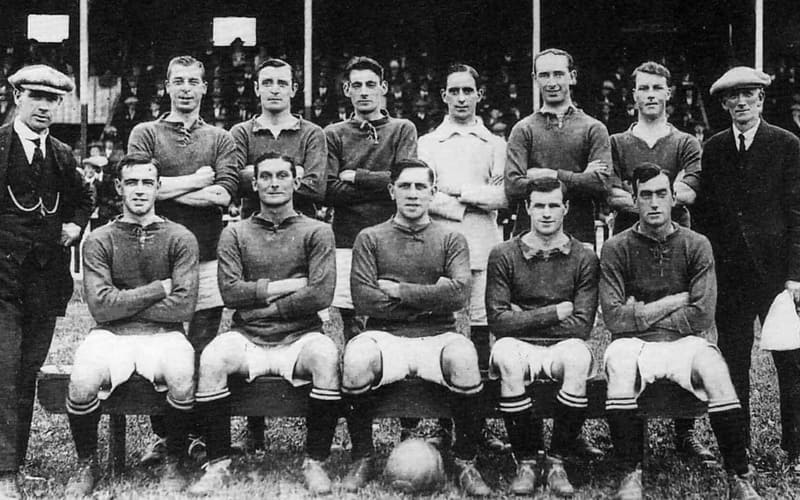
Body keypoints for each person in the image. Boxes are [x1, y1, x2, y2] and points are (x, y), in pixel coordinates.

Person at [600, 163, 759, 500]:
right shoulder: (615, 247)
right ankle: (630, 473)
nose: (654, 202)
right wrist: (673, 301)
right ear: (634, 200)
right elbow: (614, 318)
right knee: (619, 364)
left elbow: (702, 314)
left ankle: (738, 475)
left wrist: (639, 312)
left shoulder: (697, 244)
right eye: (645, 195)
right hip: (633, 344)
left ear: (674, 198)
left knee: (715, 368)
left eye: (661, 194)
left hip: (686, 341)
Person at [187, 152, 339, 496]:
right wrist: (289, 287)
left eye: (282, 176)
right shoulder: (235, 233)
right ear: (254, 184)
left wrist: (261, 305)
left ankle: (315, 462)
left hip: (301, 336)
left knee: (326, 356)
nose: (274, 183)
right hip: (248, 336)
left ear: (295, 182)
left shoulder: (317, 231)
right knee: (212, 358)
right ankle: (218, 464)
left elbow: (320, 294)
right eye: (266, 177)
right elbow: (230, 292)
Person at [341, 159, 491, 496]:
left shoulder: (451, 238)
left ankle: (466, 461)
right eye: (404, 186)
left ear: (433, 192)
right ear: (391, 190)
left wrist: (399, 290)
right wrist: (432, 294)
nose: (412, 193)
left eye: (420, 186)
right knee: (356, 357)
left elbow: (459, 296)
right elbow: (365, 300)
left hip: (438, 333)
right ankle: (363, 457)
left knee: (465, 356)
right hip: (385, 335)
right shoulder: (370, 237)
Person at [65, 154, 199, 496]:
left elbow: (184, 306)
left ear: (158, 187)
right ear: (118, 187)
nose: (139, 190)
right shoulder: (99, 239)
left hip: (165, 335)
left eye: (147, 182)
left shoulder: (180, 236)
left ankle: (173, 459)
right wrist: (158, 289)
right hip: (111, 335)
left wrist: (122, 303)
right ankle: (87, 463)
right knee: (81, 379)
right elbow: (100, 307)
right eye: (131, 182)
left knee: (183, 373)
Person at [128, 55, 238, 465]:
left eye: (194, 81)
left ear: (205, 87)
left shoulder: (220, 138)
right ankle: (166, 436)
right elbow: (139, 190)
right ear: (167, 86)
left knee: (202, 345)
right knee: (163, 344)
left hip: (207, 256)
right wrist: (195, 181)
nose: (186, 88)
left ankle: (197, 434)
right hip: (157, 257)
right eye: (179, 81)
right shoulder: (146, 132)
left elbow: (223, 194)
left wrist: (166, 189)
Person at [695, 66, 800, 469]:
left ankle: (795, 448)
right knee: (733, 361)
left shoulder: (786, 144)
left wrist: (795, 275)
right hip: (730, 275)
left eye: (748, 95)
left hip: (777, 277)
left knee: (790, 362)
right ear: (724, 104)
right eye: (733, 96)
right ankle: (738, 448)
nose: (741, 102)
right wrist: (708, 270)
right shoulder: (714, 148)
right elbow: (705, 215)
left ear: (761, 99)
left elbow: (797, 212)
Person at [606, 61, 710, 460]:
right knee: (629, 330)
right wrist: (659, 196)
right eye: (643, 88)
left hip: (676, 242)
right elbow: (610, 192)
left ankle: (685, 433)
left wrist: (639, 196)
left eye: (657, 88)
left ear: (669, 93)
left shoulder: (686, 142)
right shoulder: (617, 142)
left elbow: (689, 192)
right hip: (628, 242)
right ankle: (630, 431)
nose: (650, 95)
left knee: (683, 329)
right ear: (632, 95)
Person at [0, 64, 92, 498]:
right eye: (35, 96)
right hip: (2, 282)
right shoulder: (0, 145)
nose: (44, 106)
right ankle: (4, 474)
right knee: (4, 372)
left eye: (52, 99)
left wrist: (75, 224)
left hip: (43, 284)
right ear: (17, 96)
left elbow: (85, 196)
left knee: (25, 375)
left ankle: (14, 466)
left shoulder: (60, 153)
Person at [486, 177, 598, 497]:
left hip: (563, 346)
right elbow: (499, 323)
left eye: (553, 205)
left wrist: (521, 316)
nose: (546, 213)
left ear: (566, 208)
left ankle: (557, 461)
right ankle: (527, 461)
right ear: (527, 208)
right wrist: (556, 312)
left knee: (578, 358)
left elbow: (581, 326)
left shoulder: (584, 256)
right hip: (518, 346)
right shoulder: (503, 254)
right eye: (539, 206)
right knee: (507, 356)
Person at [418, 62, 507, 450]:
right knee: (443, 331)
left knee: (482, 327)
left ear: (479, 95)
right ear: (443, 96)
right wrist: (467, 201)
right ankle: (442, 423)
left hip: (483, 244)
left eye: (467, 90)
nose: (460, 98)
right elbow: (424, 195)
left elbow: (503, 196)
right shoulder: (427, 143)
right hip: (439, 247)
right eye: (453, 91)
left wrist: (459, 192)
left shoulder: (495, 144)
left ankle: (479, 424)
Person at [323, 56, 417, 339]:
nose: (364, 92)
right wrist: (385, 186)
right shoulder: (334, 134)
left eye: (371, 84)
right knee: (352, 322)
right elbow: (329, 190)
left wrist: (357, 177)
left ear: (383, 87)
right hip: (347, 238)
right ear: (346, 90)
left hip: (393, 237)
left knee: (393, 314)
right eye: (357, 85)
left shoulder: (402, 129)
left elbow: (404, 181)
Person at [505, 48, 613, 244]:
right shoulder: (523, 129)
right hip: (529, 241)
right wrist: (580, 178)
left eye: (558, 74)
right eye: (544, 75)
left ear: (572, 77)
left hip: (578, 239)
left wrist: (552, 175)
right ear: (535, 79)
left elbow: (601, 185)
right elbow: (513, 187)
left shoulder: (594, 128)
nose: (552, 82)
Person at [231, 58, 327, 220]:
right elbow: (234, 184)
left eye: (282, 84)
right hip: (253, 226)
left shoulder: (312, 134)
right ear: (257, 89)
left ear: (293, 90)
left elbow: (316, 189)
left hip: (303, 227)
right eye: (267, 83)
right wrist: (295, 173)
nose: (274, 90)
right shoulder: (241, 133)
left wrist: (255, 173)